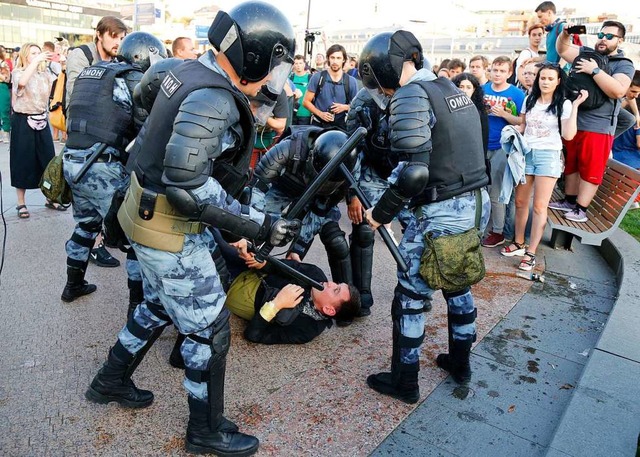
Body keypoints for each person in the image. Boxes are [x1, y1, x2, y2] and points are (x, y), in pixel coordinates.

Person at [85, 3, 298, 456]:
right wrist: (258, 224)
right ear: (255, 55)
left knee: (157, 307)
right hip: (169, 225)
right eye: (271, 66)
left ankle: (110, 379)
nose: (269, 83)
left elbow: (146, 114)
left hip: (143, 214)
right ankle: (205, 430)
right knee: (208, 330)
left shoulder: (181, 70)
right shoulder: (214, 97)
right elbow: (188, 186)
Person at [359, 31, 490, 403]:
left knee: (411, 295)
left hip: (441, 211)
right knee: (457, 281)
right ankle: (461, 362)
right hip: (474, 204)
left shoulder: (411, 94)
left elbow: (414, 173)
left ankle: (405, 381)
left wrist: (381, 212)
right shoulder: (450, 88)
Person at [60, 32, 166, 303]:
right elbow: (146, 133)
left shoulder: (92, 72)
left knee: (86, 225)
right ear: (144, 56)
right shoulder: (132, 79)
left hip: (73, 161)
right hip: (101, 167)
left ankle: (73, 285)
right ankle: (137, 308)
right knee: (134, 236)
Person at [249, 128, 358, 325]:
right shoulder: (287, 150)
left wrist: (297, 247)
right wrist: (259, 231)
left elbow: (318, 214)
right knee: (259, 229)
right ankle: (243, 271)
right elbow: (256, 191)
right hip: (283, 186)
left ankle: (341, 307)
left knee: (335, 240)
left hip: (320, 197)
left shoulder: (349, 166)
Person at [501, 63, 587, 271]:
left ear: (558, 81)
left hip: (548, 157)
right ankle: (519, 242)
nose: (545, 82)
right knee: (521, 202)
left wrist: (575, 107)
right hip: (526, 154)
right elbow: (524, 125)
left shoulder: (563, 104)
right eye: (542, 78)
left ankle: (531, 253)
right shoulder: (530, 99)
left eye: (550, 78)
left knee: (539, 206)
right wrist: (513, 130)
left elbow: (568, 135)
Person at [550, 20, 635, 223]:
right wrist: (565, 35)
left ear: (620, 41)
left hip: (599, 126)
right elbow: (563, 50)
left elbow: (618, 90)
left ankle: (581, 209)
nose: (603, 40)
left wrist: (595, 70)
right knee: (572, 164)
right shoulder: (588, 53)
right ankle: (569, 201)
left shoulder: (624, 64)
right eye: (601, 35)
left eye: (609, 37)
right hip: (575, 122)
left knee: (591, 169)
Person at [65, 15, 128, 267]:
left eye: (121, 38)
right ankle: (99, 247)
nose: (118, 43)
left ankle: (74, 283)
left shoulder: (117, 60)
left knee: (87, 220)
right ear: (100, 34)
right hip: (85, 141)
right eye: (114, 36)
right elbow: (77, 95)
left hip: (105, 140)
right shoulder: (81, 55)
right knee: (121, 222)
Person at [345, 88, 414, 317]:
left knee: (417, 230)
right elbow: (352, 147)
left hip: (408, 172)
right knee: (364, 229)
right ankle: (362, 292)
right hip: (372, 173)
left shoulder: (417, 94)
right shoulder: (365, 98)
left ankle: (412, 289)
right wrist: (352, 193)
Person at [225, 254, 360, 344]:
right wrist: (263, 263)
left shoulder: (307, 329)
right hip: (244, 266)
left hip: (227, 290)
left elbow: (253, 335)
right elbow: (280, 266)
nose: (331, 283)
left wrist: (276, 305)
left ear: (329, 310)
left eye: (335, 290)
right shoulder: (316, 274)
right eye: (337, 284)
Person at [481, 55, 526, 248]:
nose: (497, 74)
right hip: (482, 143)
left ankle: (498, 231)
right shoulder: (483, 90)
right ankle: (479, 225)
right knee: (479, 187)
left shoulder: (517, 94)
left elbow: (522, 122)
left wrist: (504, 114)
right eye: (494, 70)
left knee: (496, 190)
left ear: (509, 73)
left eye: (502, 71)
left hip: (503, 146)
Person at [9, 43, 56, 219]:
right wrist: (35, 62)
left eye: (39, 52)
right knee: (22, 161)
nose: (38, 55)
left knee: (48, 160)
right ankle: (21, 202)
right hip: (23, 120)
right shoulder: (19, 72)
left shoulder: (45, 74)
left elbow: (56, 77)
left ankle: (51, 197)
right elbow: (22, 83)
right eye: (33, 53)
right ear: (25, 56)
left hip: (41, 119)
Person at [302, 44, 358, 130]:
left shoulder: (351, 81)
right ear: (328, 58)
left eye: (338, 58)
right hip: (318, 125)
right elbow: (306, 102)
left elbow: (357, 107)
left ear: (343, 60)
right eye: (332, 57)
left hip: (341, 127)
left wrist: (345, 107)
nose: (335, 61)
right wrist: (320, 114)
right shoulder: (317, 77)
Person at [451, 72, 489, 153]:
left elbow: (484, 137)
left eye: (468, 87)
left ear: (474, 89)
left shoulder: (480, 110)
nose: (464, 91)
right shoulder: (449, 108)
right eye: (461, 87)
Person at [290, 55, 312, 125]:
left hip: (305, 112)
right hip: (291, 113)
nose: (298, 65)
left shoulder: (310, 78)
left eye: (300, 63)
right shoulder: (290, 77)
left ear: (304, 64)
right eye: (296, 63)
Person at [0, 46, 10, 143]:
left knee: (4, 111)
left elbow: (7, 79)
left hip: (2, 86)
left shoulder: (4, 64)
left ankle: (5, 133)